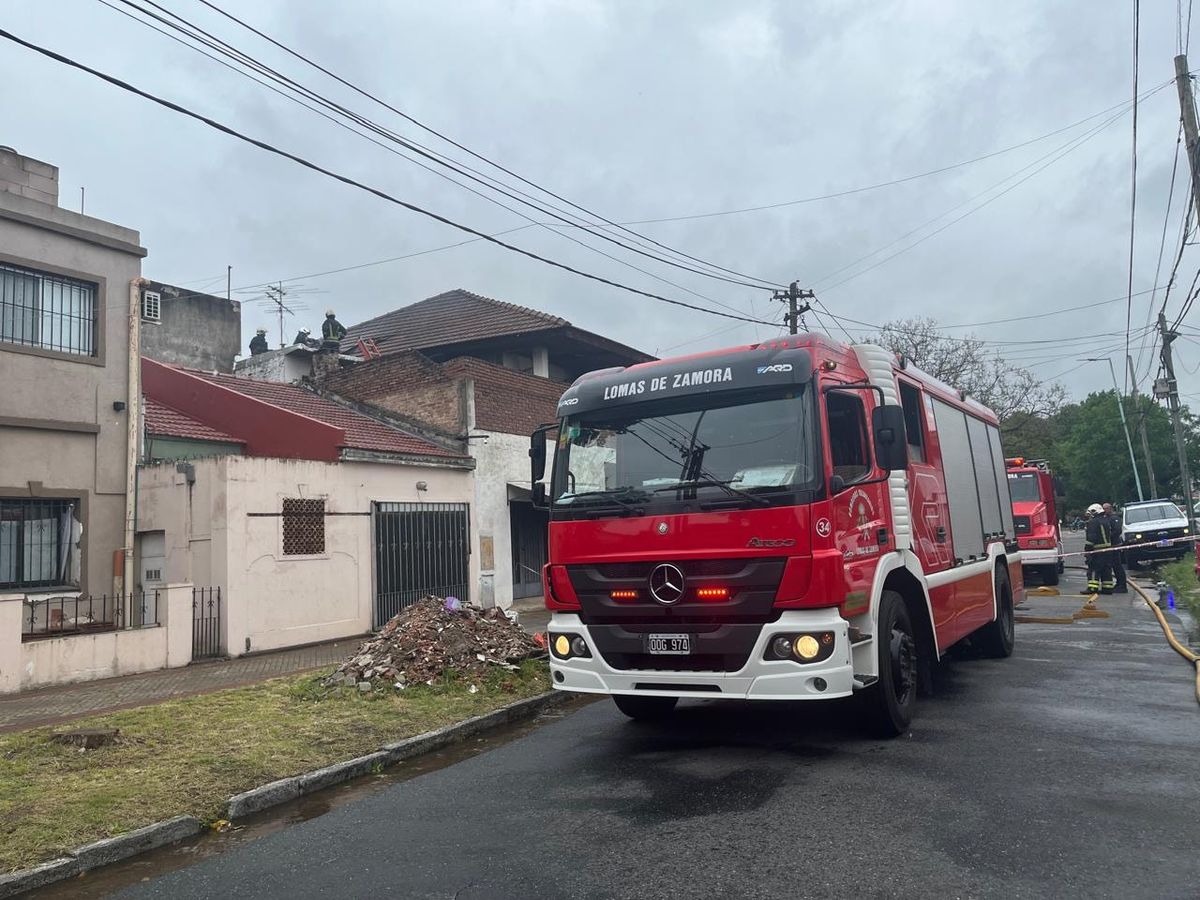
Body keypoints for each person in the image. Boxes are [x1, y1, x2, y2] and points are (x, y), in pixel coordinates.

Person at [1083, 502, 1116, 595]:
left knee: (1094, 569)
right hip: (1108, 550)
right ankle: (1107, 588)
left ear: (1094, 512)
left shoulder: (1093, 522)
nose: (1089, 517)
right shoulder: (1106, 521)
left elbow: (1091, 538)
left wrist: (1088, 550)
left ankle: (1092, 588)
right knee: (1106, 570)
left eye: (1090, 514)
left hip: (1097, 551)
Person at [1103, 502, 1127, 594]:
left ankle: (1122, 586)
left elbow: (1117, 531)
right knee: (1114, 565)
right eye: (1103, 508)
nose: (1104, 510)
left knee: (1117, 566)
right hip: (1110, 545)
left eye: (1106, 508)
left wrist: (1108, 537)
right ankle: (1118, 584)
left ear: (1110, 508)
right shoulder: (1106, 518)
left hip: (1115, 545)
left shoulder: (1114, 518)